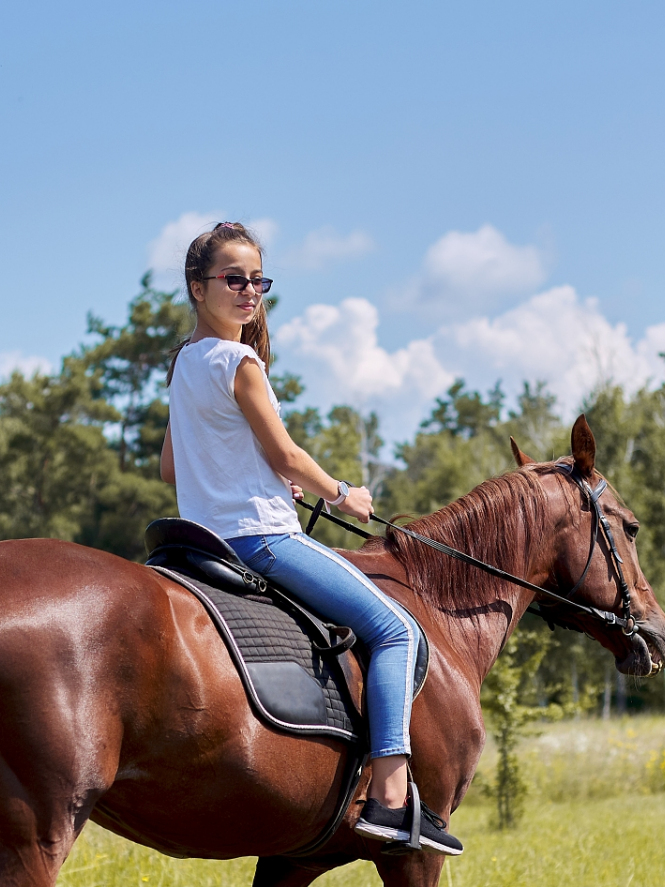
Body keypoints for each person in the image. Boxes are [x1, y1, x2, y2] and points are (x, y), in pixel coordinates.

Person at [160, 222, 460, 854]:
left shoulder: (185, 363)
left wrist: (249, 474)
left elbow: (172, 468)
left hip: (202, 541)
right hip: (262, 540)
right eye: (233, 279)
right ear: (197, 286)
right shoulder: (240, 363)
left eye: (258, 281)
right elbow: (289, 455)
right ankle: (390, 795)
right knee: (399, 630)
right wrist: (340, 493)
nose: (248, 292)